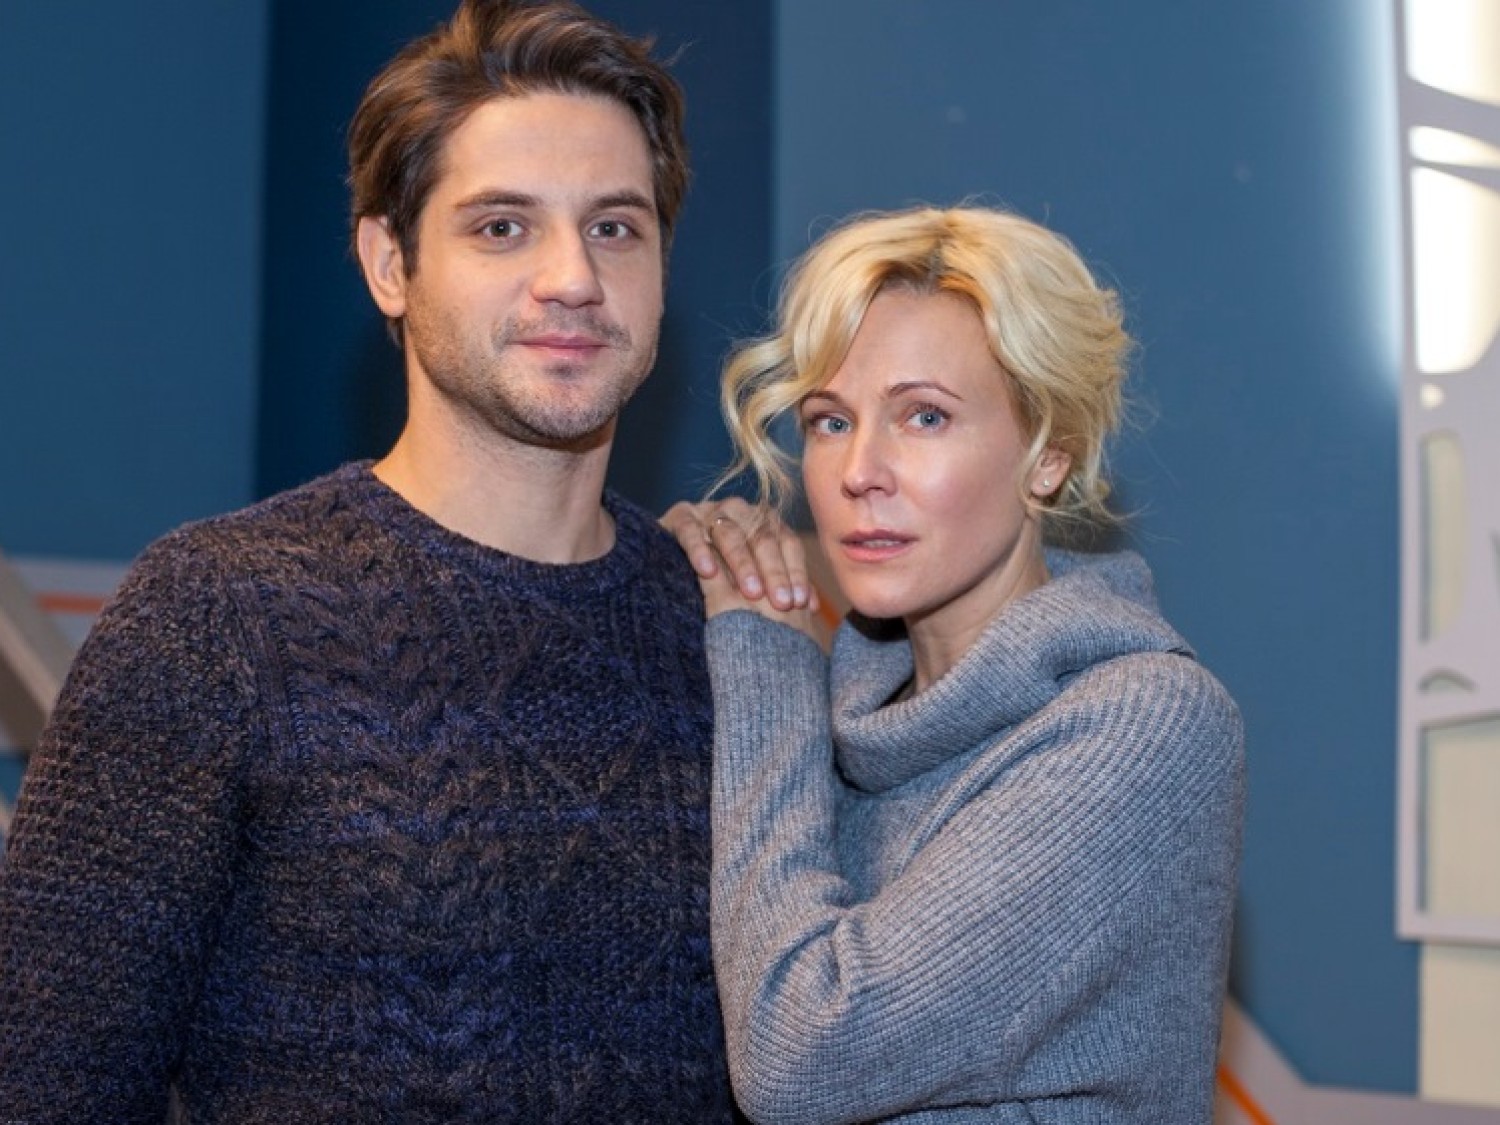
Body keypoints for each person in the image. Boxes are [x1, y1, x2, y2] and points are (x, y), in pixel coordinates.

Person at [0, 1, 804, 1119]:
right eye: (503, 227)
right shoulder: (216, 613)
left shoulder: (733, 628)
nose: (573, 277)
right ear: (390, 262)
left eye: (616, 227)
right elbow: (43, 1081)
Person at [671, 205, 1245, 1123]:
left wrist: (768, 657)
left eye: (925, 416)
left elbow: (801, 1056)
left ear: (1046, 458)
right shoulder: (855, 716)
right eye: (829, 421)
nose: (859, 470)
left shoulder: (1145, 720)